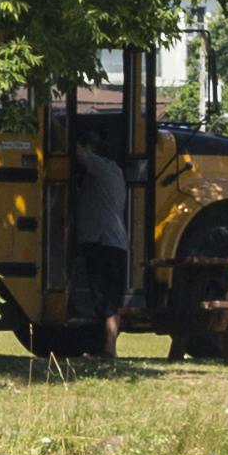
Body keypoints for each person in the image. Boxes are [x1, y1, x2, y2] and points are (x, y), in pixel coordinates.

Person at [71, 128, 133, 330]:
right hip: (106, 242)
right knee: (105, 298)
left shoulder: (101, 167)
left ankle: (109, 347)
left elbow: (78, 152)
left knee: (107, 299)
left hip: (104, 242)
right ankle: (105, 346)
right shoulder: (110, 172)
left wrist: (51, 120)